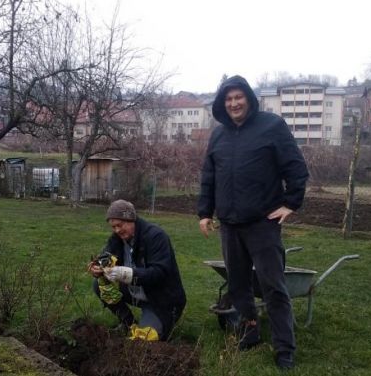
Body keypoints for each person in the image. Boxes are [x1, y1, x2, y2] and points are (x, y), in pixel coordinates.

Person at [197, 75, 309, 369]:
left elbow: (295, 167)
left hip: (262, 224)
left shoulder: (272, 127)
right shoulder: (218, 136)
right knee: (238, 285)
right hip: (230, 225)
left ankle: (285, 348)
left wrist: (291, 203)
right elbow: (209, 176)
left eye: (238, 97)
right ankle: (251, 331)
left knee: (273, 287)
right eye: (228, 99)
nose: (234, 103)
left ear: (249, 98)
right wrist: (204, 213)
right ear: (223, 104)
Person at [89, 199, 186, 341]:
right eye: (113, 227)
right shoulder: (118, 238)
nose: (117, 230)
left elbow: (160, 273)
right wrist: (98, 268)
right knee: (99, 285)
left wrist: (127, 274)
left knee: (145, 339)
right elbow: (106, 256)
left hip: (162, 299)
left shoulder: (156, 236)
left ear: (130, 219)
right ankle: (128, 323)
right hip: (136, 291)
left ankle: (158, 320)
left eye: (119, 225)